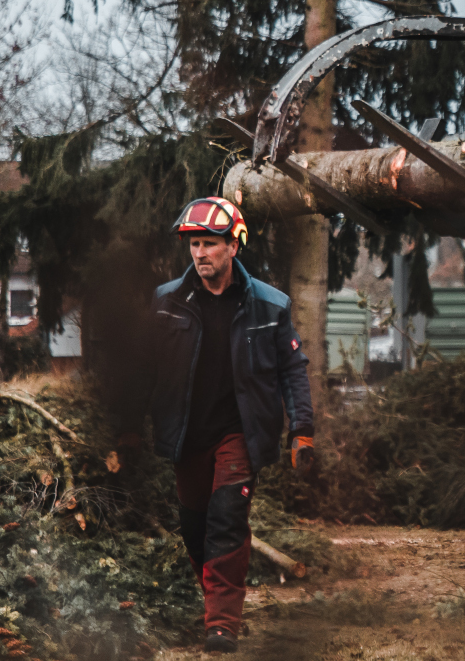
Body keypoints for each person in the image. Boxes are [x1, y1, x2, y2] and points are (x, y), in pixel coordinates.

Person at [133, 196, 316, 654]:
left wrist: (302, 430)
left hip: (241, 433)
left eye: (210, 243)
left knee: (227, 518)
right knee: (195, 528)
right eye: (194, 244)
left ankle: (222, 625)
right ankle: (216, 599)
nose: (200, 253)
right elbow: (142, 370)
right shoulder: (166, 301)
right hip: (186, 434)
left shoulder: (270, 307)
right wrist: (127, 426)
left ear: (234, 246)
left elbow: (293, 369)